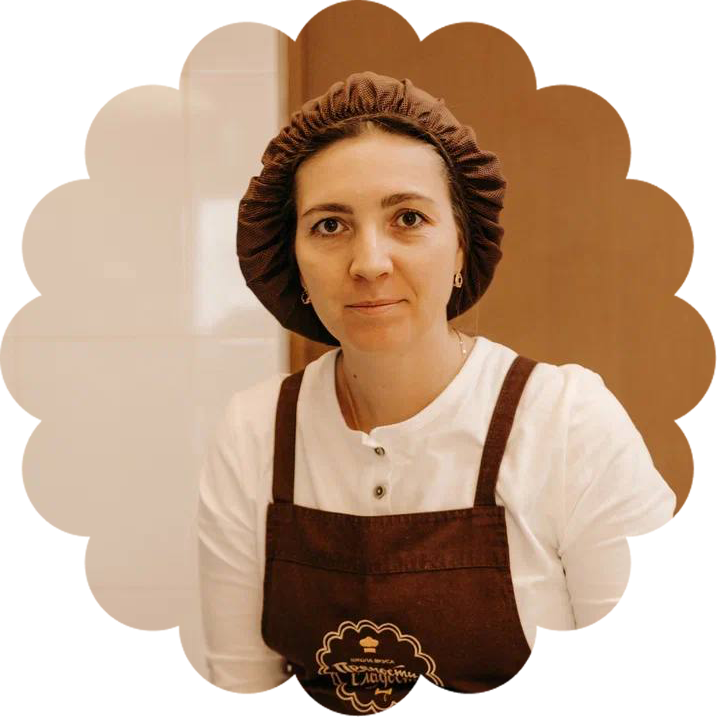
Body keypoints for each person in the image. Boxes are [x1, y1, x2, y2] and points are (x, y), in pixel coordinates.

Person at [197, 71, 683, 716]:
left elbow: (639, 706)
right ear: (294, 261)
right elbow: (243, 699)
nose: (369, 263)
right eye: (330, 225)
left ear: (460, 246)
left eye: (408, 218)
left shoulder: (567, 424)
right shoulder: (256, 429)